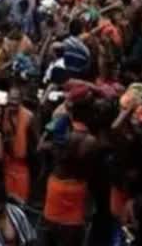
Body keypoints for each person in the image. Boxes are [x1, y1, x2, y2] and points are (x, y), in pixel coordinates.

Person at [39, 86, 98, 246]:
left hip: (56, 188)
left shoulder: (63, 135)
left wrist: (50, 130)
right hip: (78, 191)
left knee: (50, 234)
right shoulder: (91, 142)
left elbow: (42, 147)